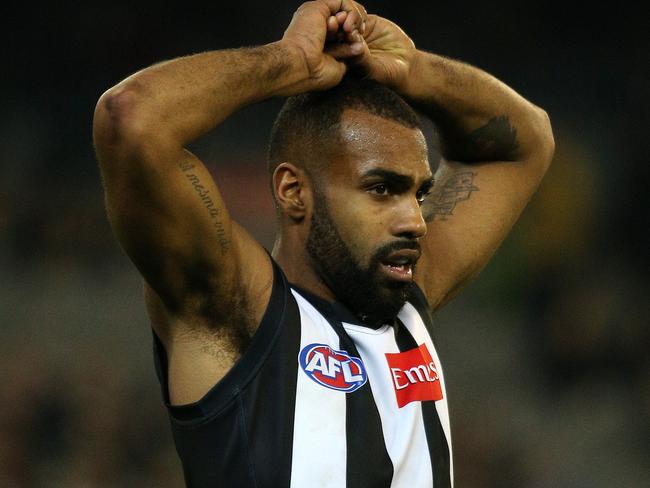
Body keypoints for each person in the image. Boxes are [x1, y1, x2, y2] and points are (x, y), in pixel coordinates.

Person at [93, 0, 554, 486]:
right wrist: (289, 62)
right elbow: (132, 118)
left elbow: (527, 139)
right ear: (294, 192)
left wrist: (413, 71)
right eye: (382, 189)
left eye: (419, 193)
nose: (415, 221)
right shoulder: (236, 312)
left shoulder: (406, 300)